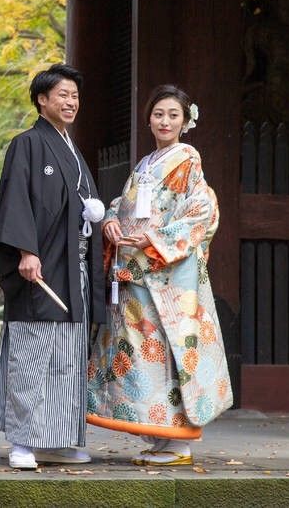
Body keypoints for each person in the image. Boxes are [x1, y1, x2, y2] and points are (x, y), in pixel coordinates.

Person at [86, 84, 232, 466]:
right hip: (135, 270)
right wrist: (112, 221)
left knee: (165, 352)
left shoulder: (187, 159)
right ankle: (159, 436)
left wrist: (155, 239)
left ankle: (179, 442)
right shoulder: (146, 163)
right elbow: (125, 204)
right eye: (158, 114)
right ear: (148, 119)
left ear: (185, 122)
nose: (165, 121)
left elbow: (202, 210)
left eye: (173, 115)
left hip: (164, 276)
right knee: (140, 355)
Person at [0, 64, 106, 470]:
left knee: (68, 356)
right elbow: (16, 200)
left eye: (75, 96)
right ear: (42, 100)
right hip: (41, 265)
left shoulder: (72, 150)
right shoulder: (27, 144)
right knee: (32, 353)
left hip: (74, 268)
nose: (71, 102)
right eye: (63, 95)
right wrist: (25, 250)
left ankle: (57, 439)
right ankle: (23, 441)